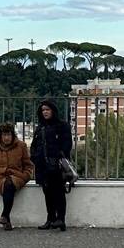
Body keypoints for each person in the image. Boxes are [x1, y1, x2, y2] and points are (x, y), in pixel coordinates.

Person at [0, 124, 34, 230]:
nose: (6, 138)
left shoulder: (21, 146)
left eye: (8, 135)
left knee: (9, 183)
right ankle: (6, 218)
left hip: (17, 176)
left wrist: (25, 176)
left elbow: (28, 165)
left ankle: (5, 215)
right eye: (4, 135)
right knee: (7, 184)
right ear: (0, 135)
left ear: (13, 135)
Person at [30, 99, 72, 231]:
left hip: (57, 165)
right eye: (43, 110)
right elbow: (35, 145)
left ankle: (61, 219)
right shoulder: (40, 127)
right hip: (42, 165)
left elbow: (67, 144)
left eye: (47, 109)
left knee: (59, 192)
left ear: (53, 110)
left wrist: (59, 156)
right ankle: (51, 219)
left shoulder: (62, 126)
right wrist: (35, 157)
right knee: (47, 192)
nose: (45, 112)